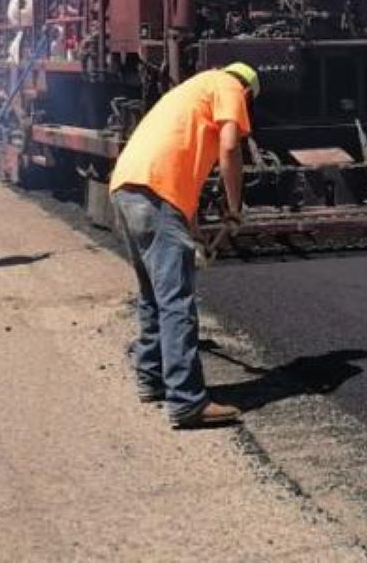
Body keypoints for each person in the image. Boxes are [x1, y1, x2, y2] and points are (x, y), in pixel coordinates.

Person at [106, 63, 258, 430]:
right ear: (248, 90)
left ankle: (151, 379)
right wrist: (235, 206)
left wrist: (193, 231)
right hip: (157, 194)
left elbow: (179, 168)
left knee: (152, 295)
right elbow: (229, 147)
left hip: (128, 187)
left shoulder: (191, 91)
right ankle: (187, 402)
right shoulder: (230, 87)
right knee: (176, 301)